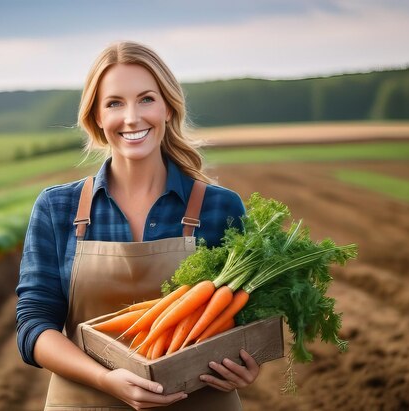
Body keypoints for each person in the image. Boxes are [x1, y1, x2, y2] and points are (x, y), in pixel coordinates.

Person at [16, 41, 260, 410]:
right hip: (85, 400)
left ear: (167, 107)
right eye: (114, 103)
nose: (132, 117)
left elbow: (248, 321)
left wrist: (246, 364)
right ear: (96, 116)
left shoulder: (219, 207)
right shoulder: (57, 208)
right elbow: (34, 325)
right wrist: (105, 379)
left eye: (146, 99)